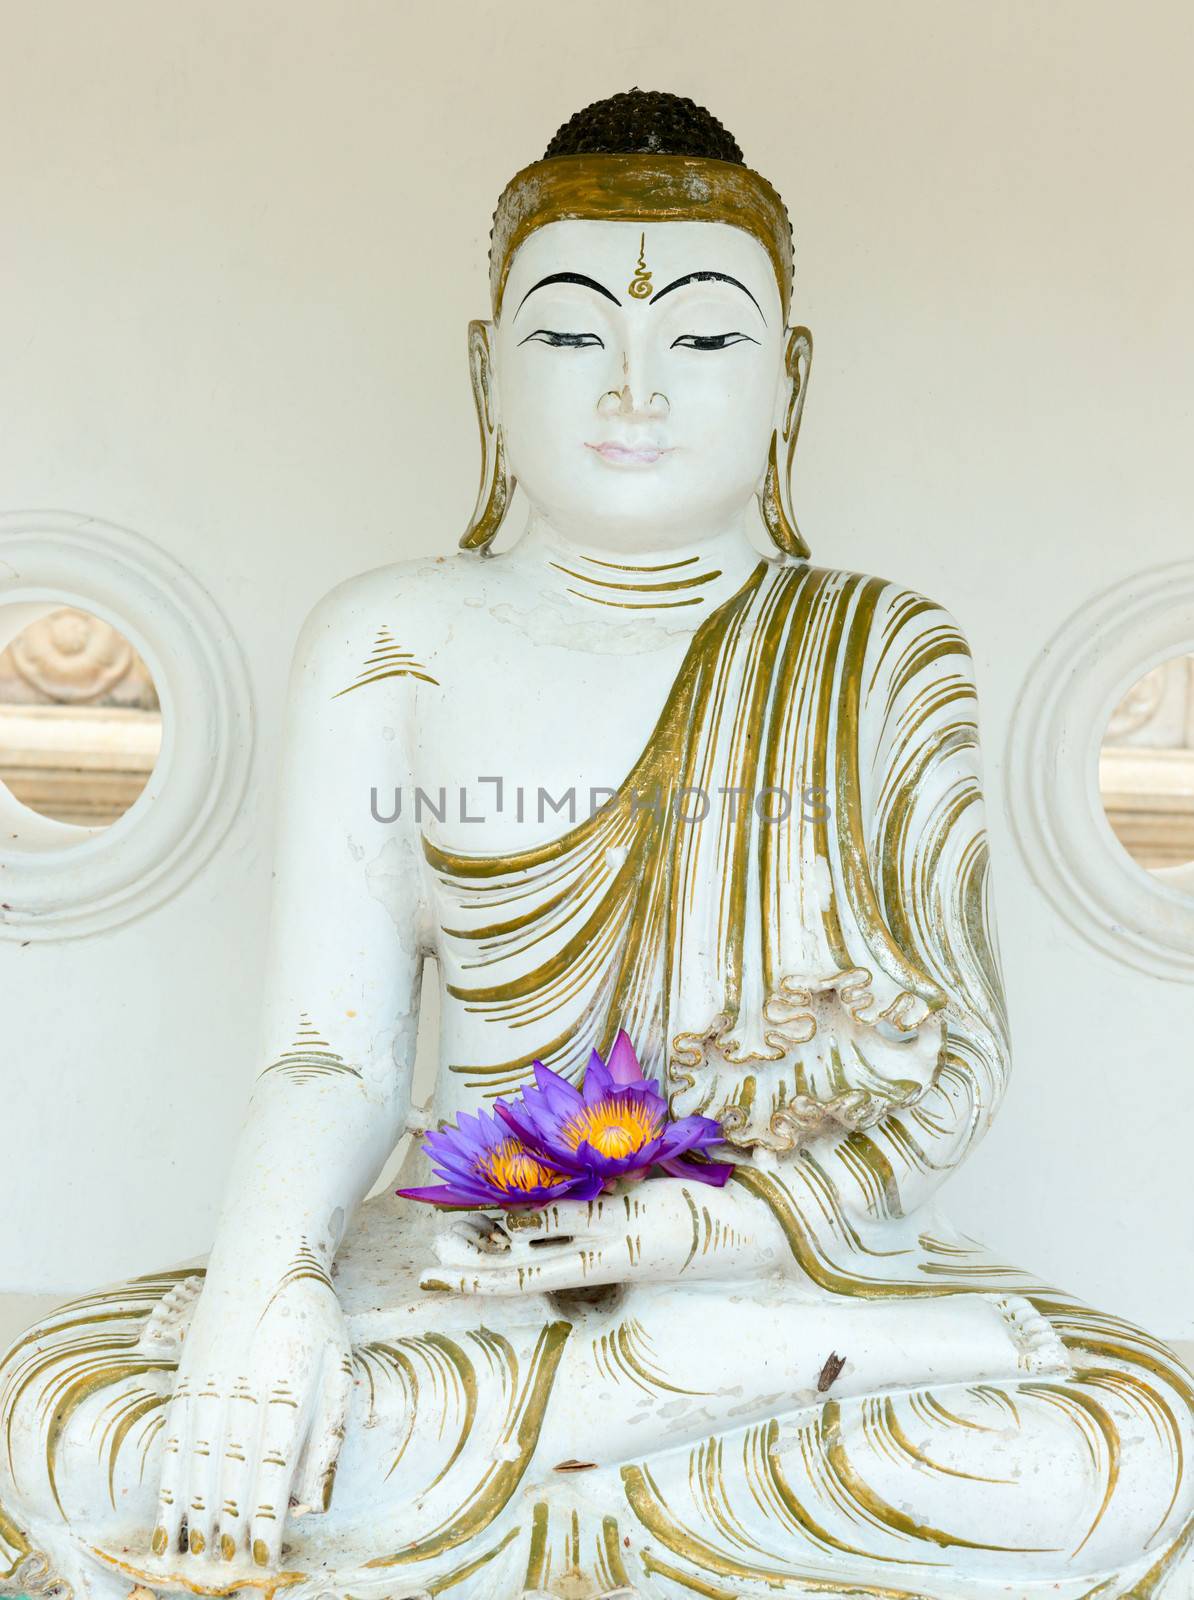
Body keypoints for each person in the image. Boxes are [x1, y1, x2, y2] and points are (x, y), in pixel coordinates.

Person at [2, 89, 1191, 1600]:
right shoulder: (391, 642)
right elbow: (331, 1059)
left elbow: (949, 1067)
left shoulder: (879, 650)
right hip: (465, 1284)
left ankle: (680, 1381)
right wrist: (263, 1302)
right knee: (72, 1420)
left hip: (779, 1267)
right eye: (570, 337)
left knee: (1124, 1439)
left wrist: (707, 1232)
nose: (634, 389)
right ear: (485, 372)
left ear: (789, 380)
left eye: (702, 340)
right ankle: (666, 1399)